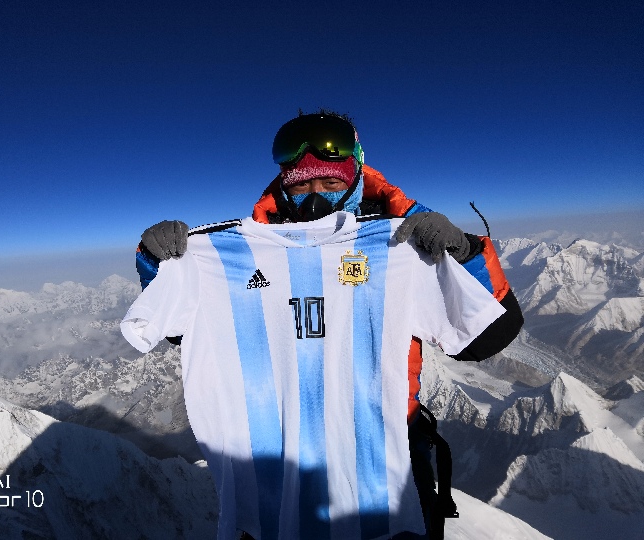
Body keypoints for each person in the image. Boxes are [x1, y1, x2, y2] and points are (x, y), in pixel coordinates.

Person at [131, 112, 524, 539]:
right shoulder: (232, 256)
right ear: (283, 183)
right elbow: (182, 330)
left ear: (354, 174)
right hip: (276, 460)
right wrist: (164, 267)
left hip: (386, 455)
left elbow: (488, 336)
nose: (314, 196)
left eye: (330, 182)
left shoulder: (401, 244)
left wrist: (463, 255)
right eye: (300, 183)